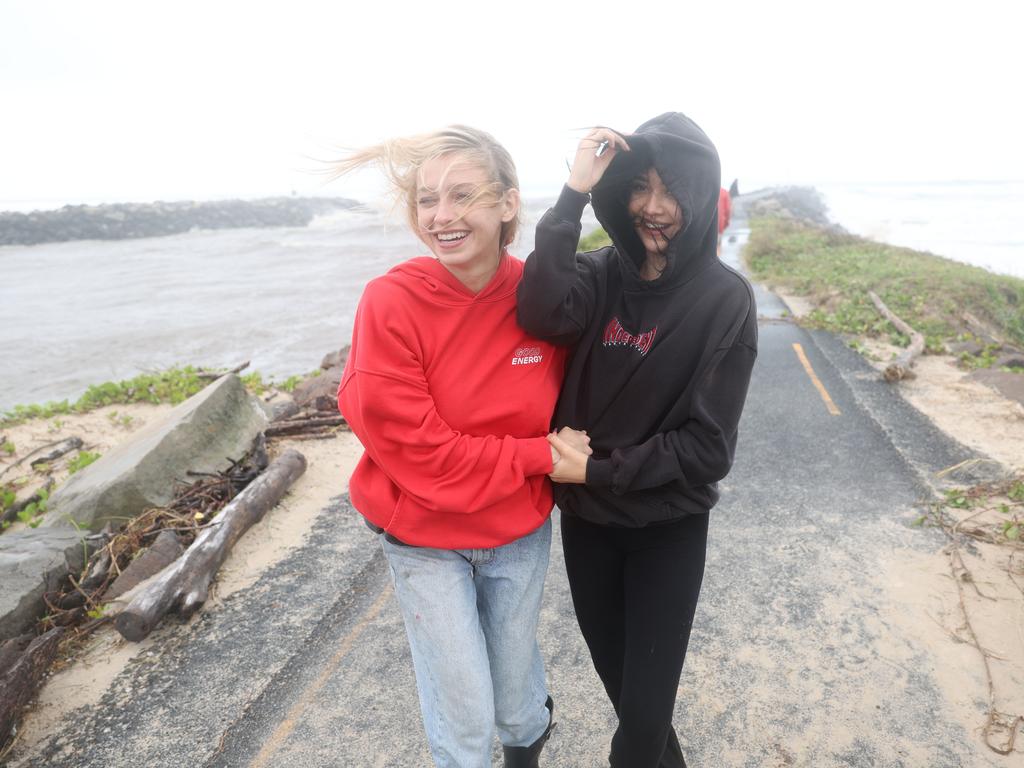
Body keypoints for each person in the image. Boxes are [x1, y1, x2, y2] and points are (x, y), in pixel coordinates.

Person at [517, 112, 757, 768]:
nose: (654, 208)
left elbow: (709, 449)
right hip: (590, 530)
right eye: (639, 187)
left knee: (643, 725)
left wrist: (598, 471)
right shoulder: (599, 276)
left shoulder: (724, 300)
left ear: (702, 197)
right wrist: (573, 194)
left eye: (672, 191)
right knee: (632, 705)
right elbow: (537, 310)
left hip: (666, 531)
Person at [335, 126, 580, 767]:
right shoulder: (391, 302)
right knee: (465, 715)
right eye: (426, 200)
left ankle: (529, 734)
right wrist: (541, 456)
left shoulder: (543, 299)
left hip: (517, 531)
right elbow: (424, 456)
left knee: (514, 693)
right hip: (425, 537)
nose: (441, 216)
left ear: (506, 205)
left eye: (462, 195)